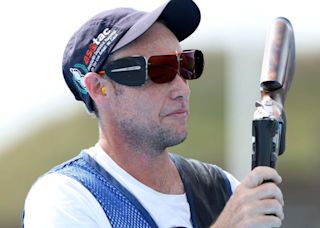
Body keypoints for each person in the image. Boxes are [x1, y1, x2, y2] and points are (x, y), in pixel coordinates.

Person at [22, 0, 284, 227]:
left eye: (186, 65)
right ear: (99, 88)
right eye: (159, 70)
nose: (182, 88)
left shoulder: (220, 187)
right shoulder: (64, 198)